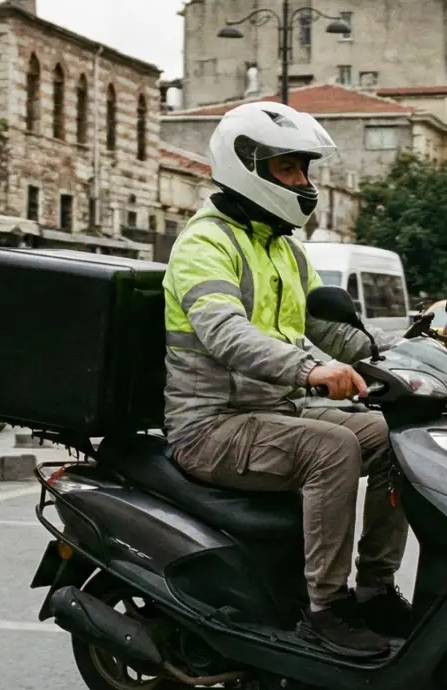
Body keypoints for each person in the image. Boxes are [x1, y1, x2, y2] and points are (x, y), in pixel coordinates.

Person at [162, 101, 407, 658]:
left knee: (396, 439)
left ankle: (375, 589)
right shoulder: (205, 244)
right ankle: (326, 607)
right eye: (288, 170)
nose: (302, 182)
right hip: (210, 425)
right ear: (247, 166)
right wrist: (310, 370)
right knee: (335, 448)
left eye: (304, 169)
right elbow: (224, 332)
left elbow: (326, 328)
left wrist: (397, 355)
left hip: (272, 414)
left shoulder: (283, 249)